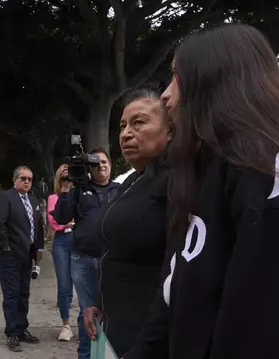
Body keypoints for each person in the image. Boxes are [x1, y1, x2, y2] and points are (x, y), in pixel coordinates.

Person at [125, 23, 279, 359]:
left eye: (177, 77)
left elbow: (275, 338)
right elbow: (174, 295)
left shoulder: (268, 184)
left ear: (215, 79)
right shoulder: (208, 175)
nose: (165, 95)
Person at [82, 90, 170, 357]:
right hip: (115, 329)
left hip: (150, 337)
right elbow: (115, 251)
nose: (126, 133)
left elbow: (178, 277)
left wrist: (146, 346)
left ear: (170, 131)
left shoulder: (177, 182)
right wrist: (98, 303)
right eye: (122, 126)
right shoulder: (132, 182)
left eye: (139, 123)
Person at [54, 149, 120, 359]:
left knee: (113, 309)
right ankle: (86, 355)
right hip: (82, 259)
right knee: (87, 312)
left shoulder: (121, 190)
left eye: (104, 162)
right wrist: (65, 188)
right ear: (89, 168)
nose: (101, 165)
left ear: (110, 165)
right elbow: (62, 217)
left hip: (112, 259)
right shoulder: (79, 191)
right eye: (96, 163)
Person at [0, 166, 45, 352]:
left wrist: (38, 251)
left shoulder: (33, 200)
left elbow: (38, 226)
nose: (27, 182)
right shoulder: (5, 197)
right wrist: (5, 246)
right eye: (23, 178)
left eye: (29, 179)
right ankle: (12, 332)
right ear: (15, 180)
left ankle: (22, 329)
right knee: (12, 295)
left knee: (23, 294)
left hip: (27, 255)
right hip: (10, 255)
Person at [47, 164, 75, 342]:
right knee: (64, 285)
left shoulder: (79, 195)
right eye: (63, 174)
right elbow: (54, 221)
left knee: (79, 283)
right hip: (61, 242)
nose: (67, 177)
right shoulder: (53, 197)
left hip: (78, 240)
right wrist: (67, 224)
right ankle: (66, 325)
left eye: (69, 174)